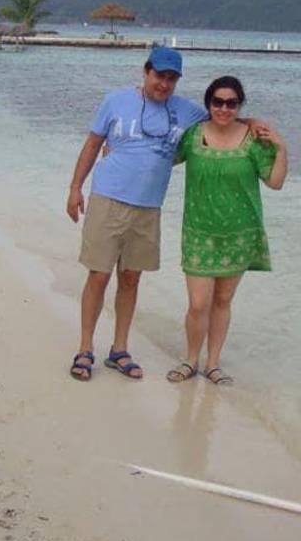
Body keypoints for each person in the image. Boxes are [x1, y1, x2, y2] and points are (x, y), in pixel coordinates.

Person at [65, 46, 208, 382]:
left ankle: (119, 350)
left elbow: (222, 122)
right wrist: (75, 188)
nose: (164, 84)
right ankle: (85, 348)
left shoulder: (186, 110)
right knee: (99, 275)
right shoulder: (115, 101)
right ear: (146, 72)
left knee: (131, 278)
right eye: (159, 76)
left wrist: (259, 127)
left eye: (172, 78)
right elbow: (92, 144)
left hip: (149, 208)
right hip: (108, 199)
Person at [166, 76, 287, 386]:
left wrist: (281, 148)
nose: (223, 108)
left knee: (222, 301)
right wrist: (119, 152)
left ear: (239, 106)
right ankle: (190, 360)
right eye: (217, 102)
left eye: (231, 103)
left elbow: (275, 182)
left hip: (239, 234)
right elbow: (162, 158)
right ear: (208, 104)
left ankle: (213, 364)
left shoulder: (253, 140)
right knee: (198, 304)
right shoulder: (193, 135)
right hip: (199, 232)